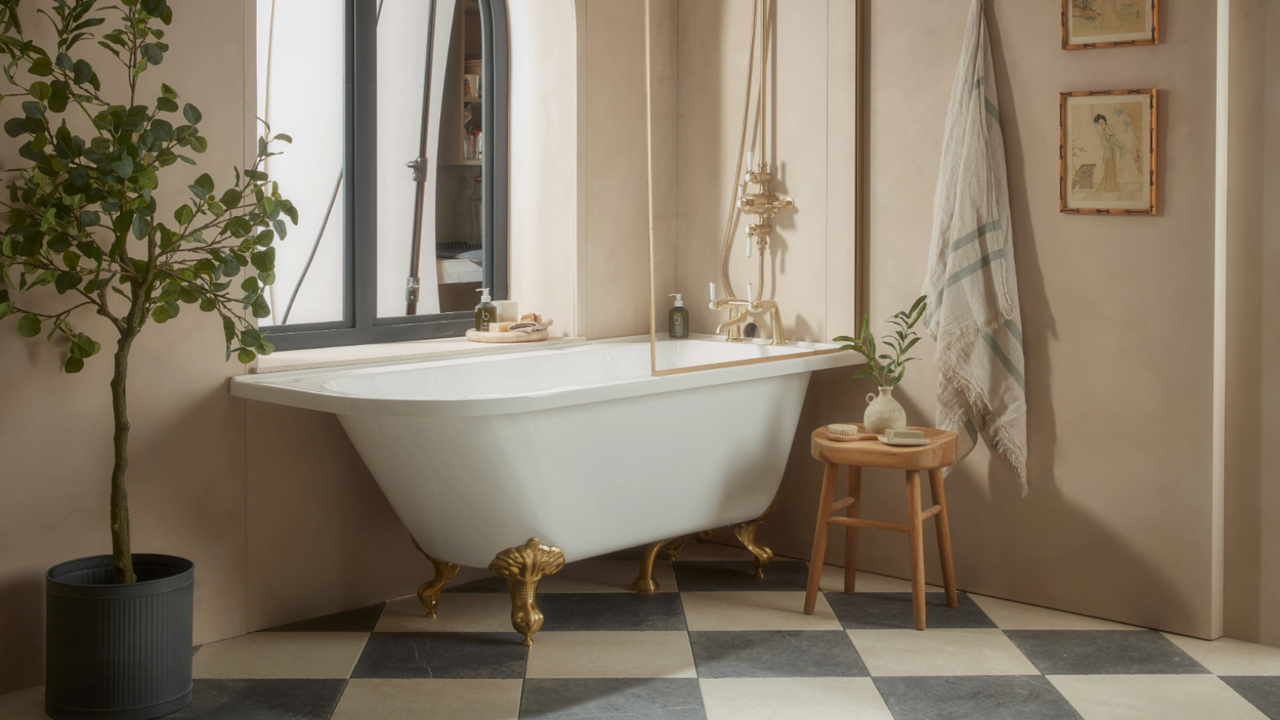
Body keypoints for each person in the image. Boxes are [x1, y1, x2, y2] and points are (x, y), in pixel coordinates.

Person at [1093, 113, 1124, 193]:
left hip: (1113, 153)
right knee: (1109, 169)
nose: (1102, 125)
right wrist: (1111, 138)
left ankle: (1112, 186)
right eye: (1100, 124)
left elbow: (1115, 142)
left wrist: (1121, 146)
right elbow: (1105, 144)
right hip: (1108, 154)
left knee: (1112, 169)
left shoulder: (1109, 130)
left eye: (1102, 122)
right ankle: (1108, 187)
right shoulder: (1103, 133)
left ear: (1105, 121)